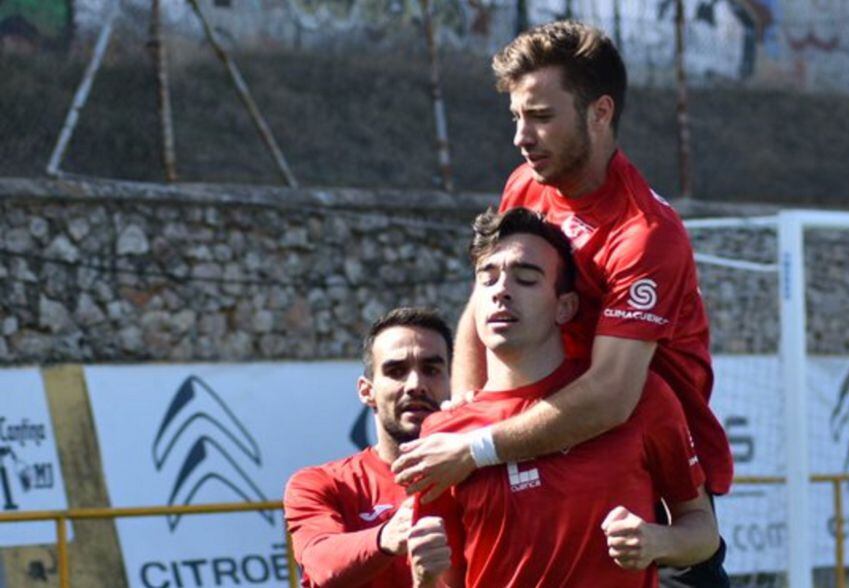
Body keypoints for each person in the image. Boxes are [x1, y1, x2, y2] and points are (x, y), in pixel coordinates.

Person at [391, 20, 732, 586]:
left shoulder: (645, 233)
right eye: (517, 117)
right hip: (526, 435)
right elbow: (481, 301)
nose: (522, 137)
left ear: (600, 113)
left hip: (640, 462)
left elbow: (611, 398)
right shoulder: (524, 184)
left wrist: (474, 447)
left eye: (542, 118)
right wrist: (467, 410)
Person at [406, 208, 717, 588]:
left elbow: (703, 531)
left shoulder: (642, 397)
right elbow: (446, 581)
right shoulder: (443, 436)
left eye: (525, 279)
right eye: (487, 280)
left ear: (565, 306)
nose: (501, 290)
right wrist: (423, 579)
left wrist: (657, 540)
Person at [283, 308, 453, 588]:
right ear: (366, 391)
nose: (416, 385)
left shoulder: (477, 478)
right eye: (396, 371)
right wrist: (386, 536)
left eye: (431, 370)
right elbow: (320, 563)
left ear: (453, 384)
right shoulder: (321, 484)